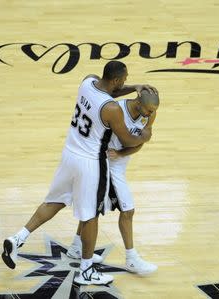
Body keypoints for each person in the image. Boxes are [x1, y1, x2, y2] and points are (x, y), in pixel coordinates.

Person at [1, 61, 155, 286]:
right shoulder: (111, 108)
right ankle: (86, 270)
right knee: (90, 215)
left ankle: (17, 239)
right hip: (90, 162)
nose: (124, 83)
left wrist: (135, 87)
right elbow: (127, 139)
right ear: (115, 80)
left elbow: (110, 89)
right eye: (123, 80)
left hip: (70, 153)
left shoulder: (87, 81)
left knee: (54, 201)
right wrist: (146, 133)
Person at [66, 90, 159, 276]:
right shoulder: (117, 111)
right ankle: (131, 259)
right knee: (127, 210)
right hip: (107, 163)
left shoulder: (150, 113)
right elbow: (137, 138)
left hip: (120, 162)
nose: (150, 114)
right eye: (148, 110)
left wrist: (124, 153)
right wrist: (123, 151)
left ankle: (77, 246)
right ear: (138, 101)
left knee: (92, 209)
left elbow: (144, 139)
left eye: (153, 111)